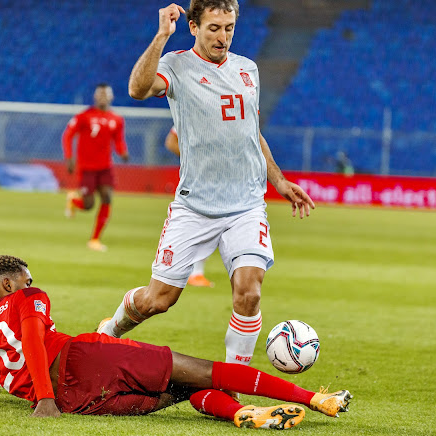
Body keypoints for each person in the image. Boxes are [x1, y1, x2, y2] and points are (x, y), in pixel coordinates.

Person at [98, 0, 316, 374]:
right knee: (159, 299)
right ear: (194, 27)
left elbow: (252, 132)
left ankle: (236, 381)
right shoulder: (176, 66)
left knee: (249, 292)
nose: (223, 36)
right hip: (194, 206)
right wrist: (161, 36)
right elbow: (137, 89)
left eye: (229, 27)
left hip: (246, 205)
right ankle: (109, 331)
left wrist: (277, 179)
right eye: (214, 27)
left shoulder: (248, 68)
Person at [0, 255, 352, 429]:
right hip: (86, 361)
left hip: (80, 401)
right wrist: (43, 398)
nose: (31, 283)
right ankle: (316, 398)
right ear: (7, 283)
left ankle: (244, 414)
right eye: (25, 277)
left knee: (184, 391)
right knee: (205, 371)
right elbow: (36, 343)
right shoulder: (26, 299)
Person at [61, 83, 129, 252]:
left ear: (111, 97)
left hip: (105, 167)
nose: (103, 97)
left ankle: (95, 239)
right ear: (95, 96)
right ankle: (73, 200)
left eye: (106, 94)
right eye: (100, 94)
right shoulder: (84, 116)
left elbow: (118, 140)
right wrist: (69, 157)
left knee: (107, 197)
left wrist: (123, 152)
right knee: (89, 204)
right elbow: (68, 135)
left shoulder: (117, 120)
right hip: (86, 167)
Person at [165, 126, 214, 288]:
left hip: (218, 179)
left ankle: (190, 271)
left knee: (209, 224)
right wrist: (194, 158)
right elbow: (171, 142)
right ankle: (193, 272)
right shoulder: (190, 113)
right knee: (204, 223)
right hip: (199, 180)